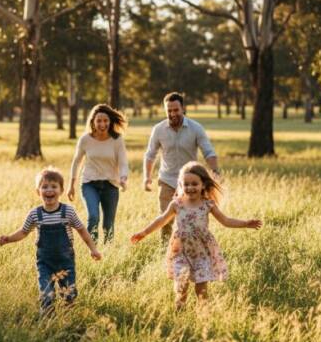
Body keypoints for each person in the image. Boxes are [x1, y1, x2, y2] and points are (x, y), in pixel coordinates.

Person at [131, 162, 261, 310]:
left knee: (201, 288)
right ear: (180, 185)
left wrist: (245, 223)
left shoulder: (208, 205)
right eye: (186, 184)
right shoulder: (176, 204)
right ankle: (179, 309)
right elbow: (161, 220)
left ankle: (203, 313)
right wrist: (144, 232)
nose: (190, 187)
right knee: (182, 283)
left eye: (194, 184)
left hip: (201, 251)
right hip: (180, 250)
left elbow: (226, 221)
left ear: (203, 185)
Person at [0, 167, 101, 316]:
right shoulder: (35, 214)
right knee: (46, 293)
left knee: (69, 294)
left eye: (54, 186)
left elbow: (82, 230)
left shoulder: (68, 212)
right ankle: (47, 318)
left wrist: (93, 249)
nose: (49, 190)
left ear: (61, 190)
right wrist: (9, 239)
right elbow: (23, 232)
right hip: (44, 262)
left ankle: (68, 317)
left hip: (65, 260)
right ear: (38, 191)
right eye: (44, 186)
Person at [143, 92, 221, 241]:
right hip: (167, 180)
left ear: (183, 109)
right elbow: (150, 155)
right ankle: (165, 251)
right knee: (166, 219)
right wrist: (147, 177)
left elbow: (208, 151)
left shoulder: (196, 128)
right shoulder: (158, 130)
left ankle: (192, 250)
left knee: (192, 220)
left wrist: (215, 171)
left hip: (190, 182)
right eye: (169, 111)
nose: (173, 114)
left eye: (176, 110)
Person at [67, 104, 129, 243]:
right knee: (93, 217)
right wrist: (71, 185)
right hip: (89, 184)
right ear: (93, 122)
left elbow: (123, 162)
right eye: (99, 120)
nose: (102, 124)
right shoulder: (85, 139)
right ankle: (92, 249)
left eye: (105, 120)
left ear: (110, 121)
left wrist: (123, 177)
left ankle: (108, 251)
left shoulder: (117, 139)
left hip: (111, 185)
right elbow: (76, 162)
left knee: (108, 224)